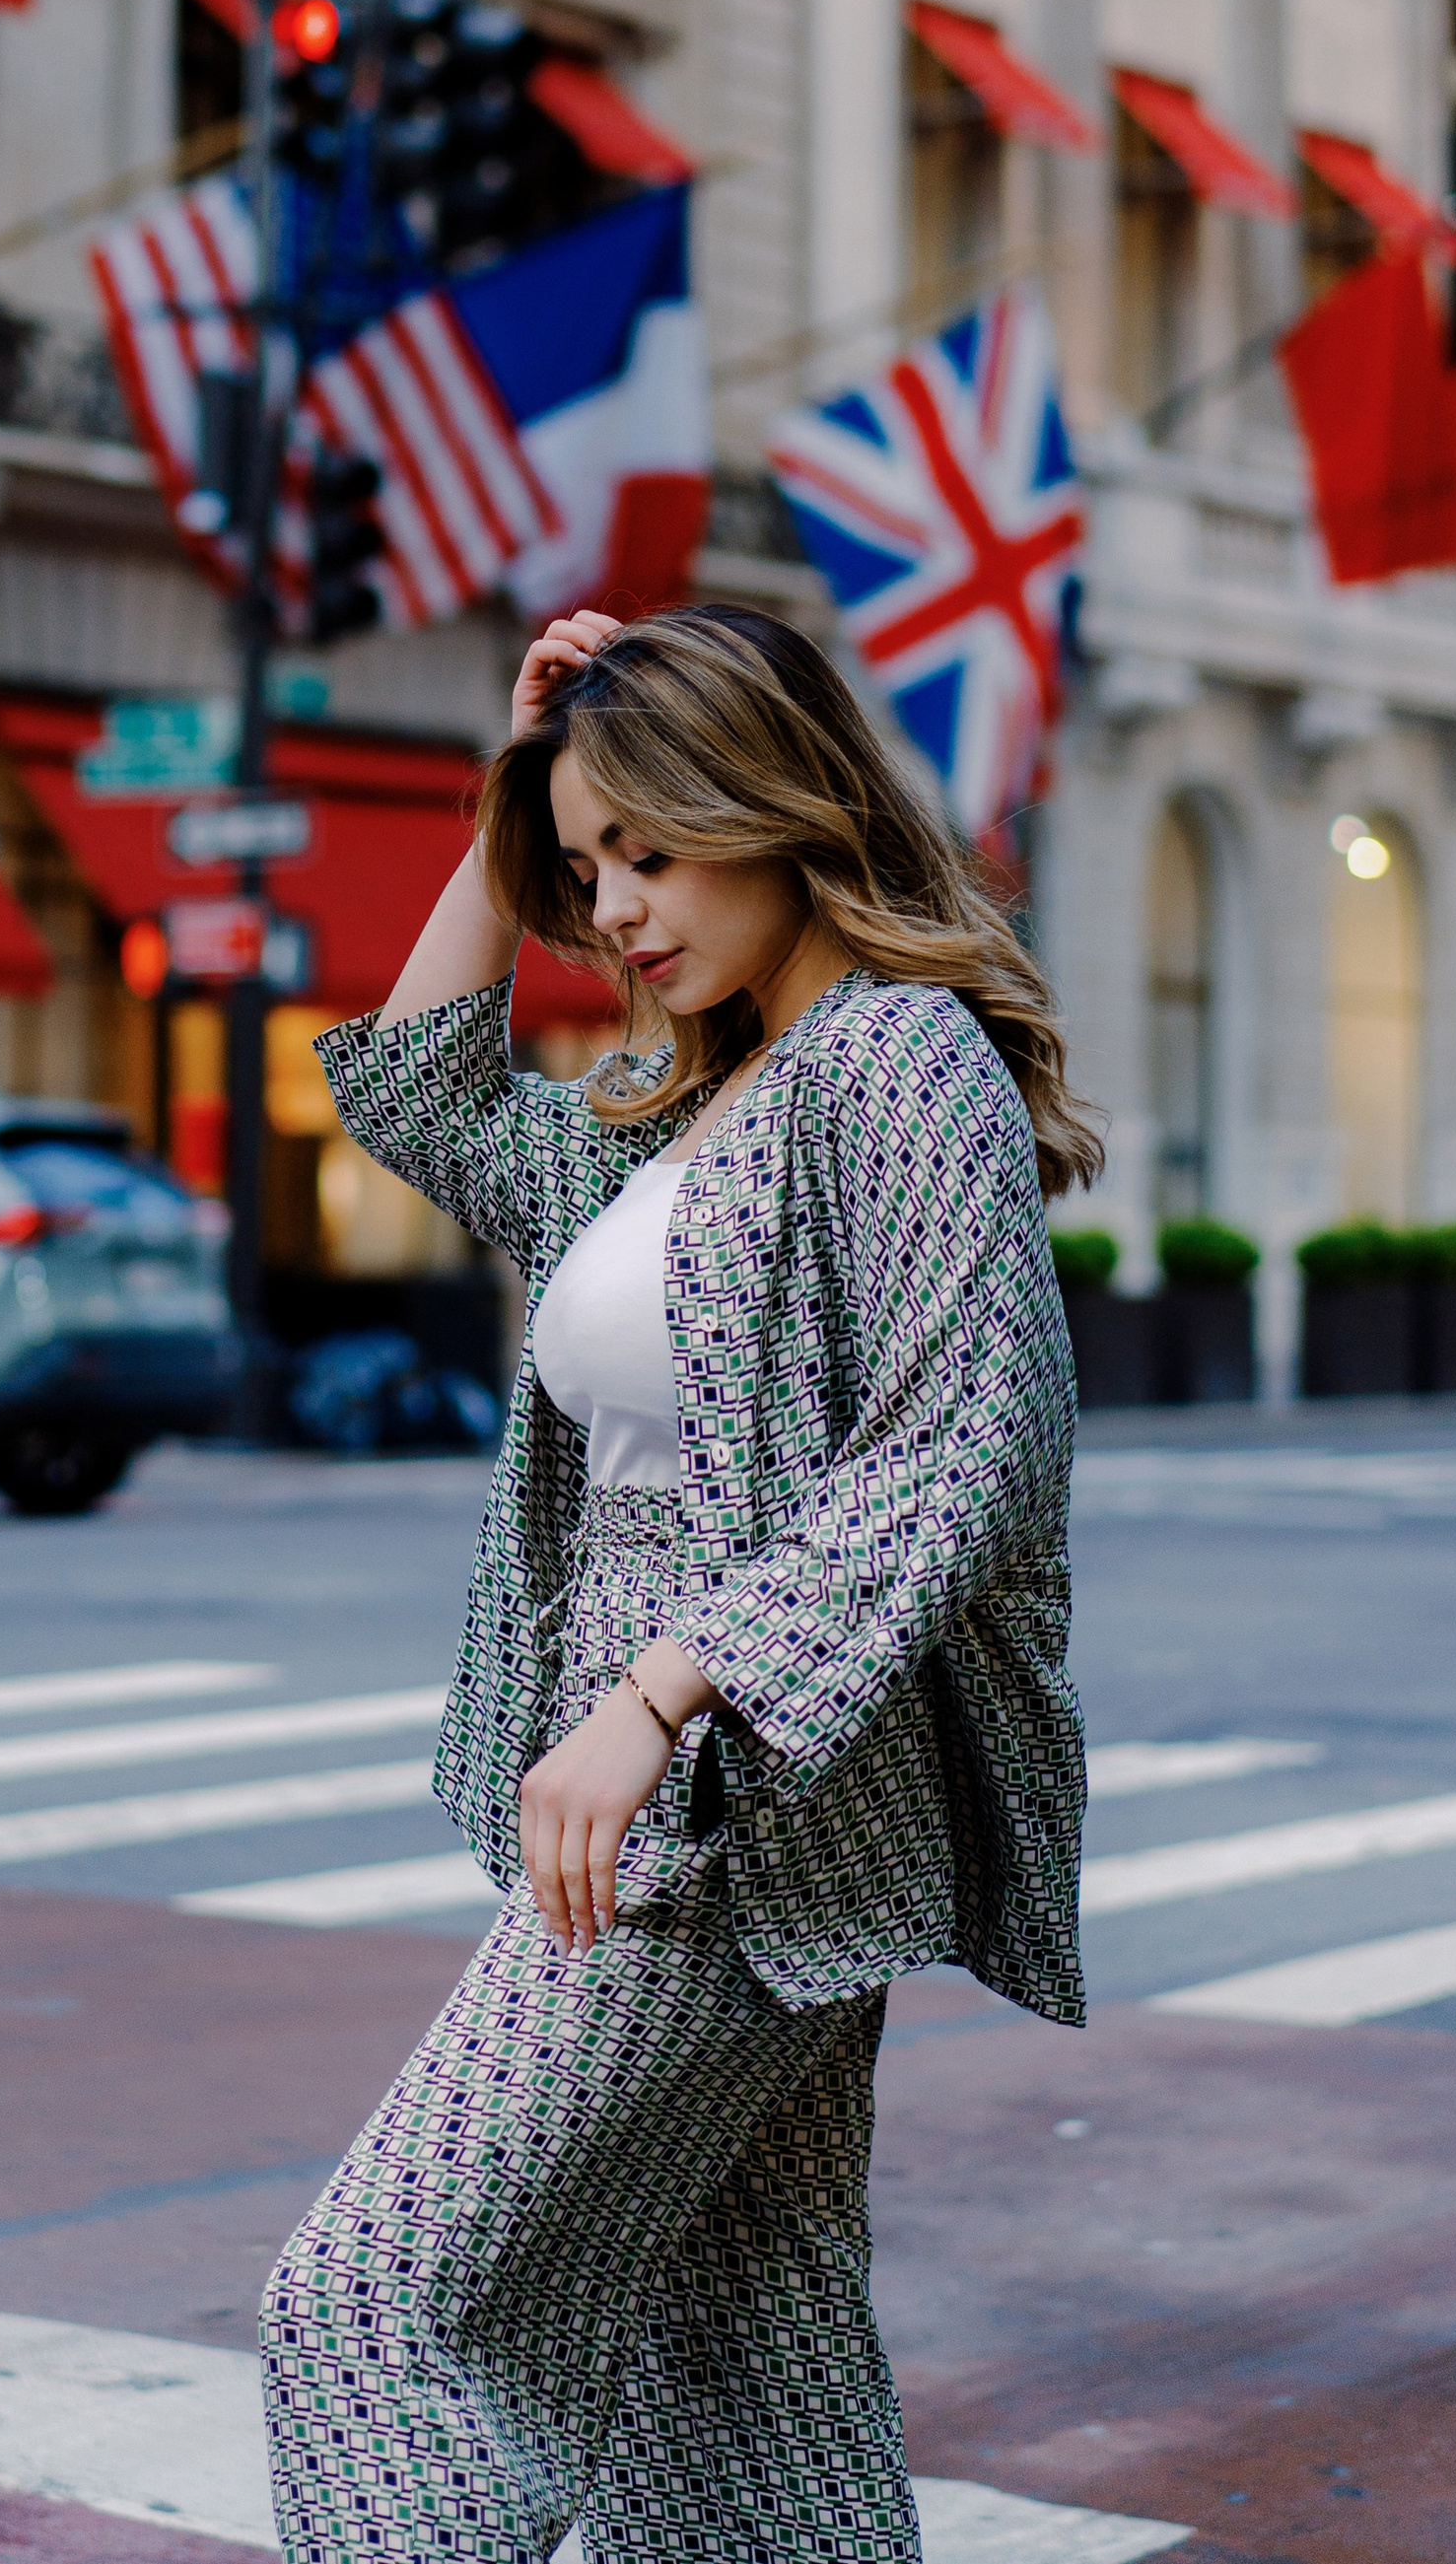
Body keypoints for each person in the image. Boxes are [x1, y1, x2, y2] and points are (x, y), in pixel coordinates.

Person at [259, 599, 1100, 2564]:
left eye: (648, 845)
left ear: (768, 791)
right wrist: (512, 786)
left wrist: (662, 1694)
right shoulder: (651, 1112)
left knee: (362, 2304)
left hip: (737, 1804)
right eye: (583, 869)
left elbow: (959, 1442)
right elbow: (408, 1090)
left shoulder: (897, 1063)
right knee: (732, 2370)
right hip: (672, 1797)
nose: (612, 905)